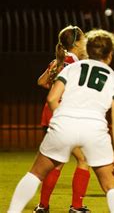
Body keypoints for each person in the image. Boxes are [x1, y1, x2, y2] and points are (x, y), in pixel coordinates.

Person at [8, 29, 114, 213]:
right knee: (111, 185)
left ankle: (23, 209)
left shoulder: (71, 67)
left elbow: (51, 97)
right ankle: (73, 206)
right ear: (110, 54)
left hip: (64, 124)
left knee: (35, 174)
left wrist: (60, 118)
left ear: (88, 48)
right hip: (94, 129)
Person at [35, 25, 92, 213]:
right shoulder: (77, 64)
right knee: (83, 159)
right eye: (83, 39)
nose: (86, 42)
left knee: (57, 163)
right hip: (64, 116)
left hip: (49, 116)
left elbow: (42, 82)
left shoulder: (58, 61)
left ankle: (43, 206)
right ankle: (76, 207)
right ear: (76, 43)